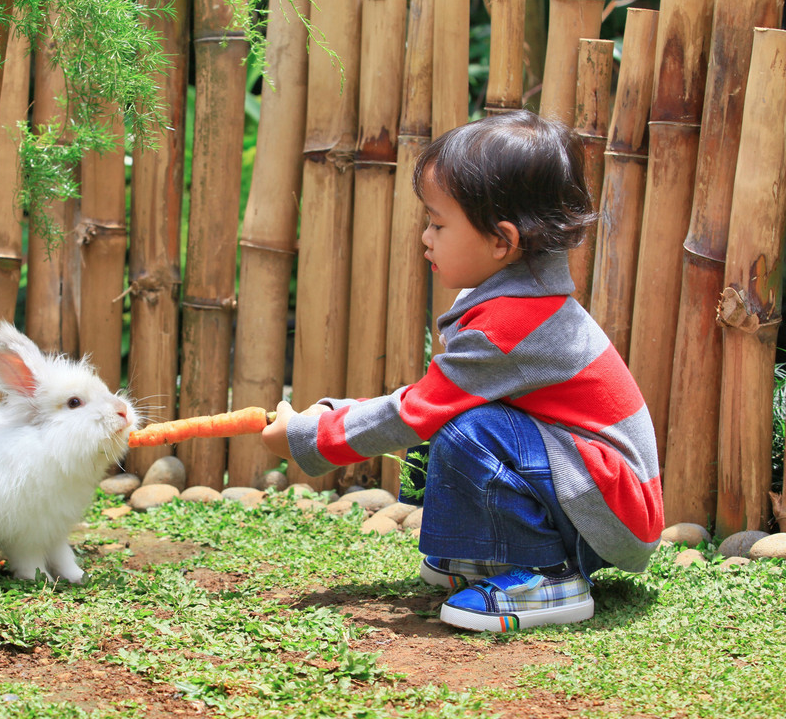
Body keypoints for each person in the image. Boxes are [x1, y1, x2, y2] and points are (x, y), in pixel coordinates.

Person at [262, 110, 663, 633]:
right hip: (593, 489)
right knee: (453, 418)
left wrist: (310, 438)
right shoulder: (508, 297)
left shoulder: (514, 324)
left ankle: (546, 577)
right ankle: (483, 552)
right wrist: (338, 414)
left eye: (438, 223)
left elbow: (420, 411)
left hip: (612, 507)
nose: (425, 236)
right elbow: (430, 396)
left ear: (501, 241)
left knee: (460, 426)